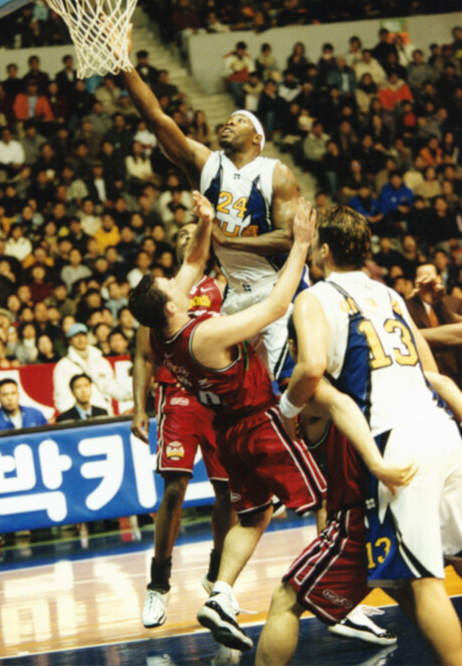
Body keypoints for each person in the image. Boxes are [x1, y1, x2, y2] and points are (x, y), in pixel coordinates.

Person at [129, 195, 327, 651]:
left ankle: (220, 590)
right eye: (170, 283)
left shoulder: (165, 323)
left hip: (224, 424)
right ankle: (334, 592)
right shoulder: (203, 332)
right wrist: (300, 244)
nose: (178, 278)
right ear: (171, 304)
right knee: (324, 499)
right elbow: (276, 306)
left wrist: (204, 222)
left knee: (251, 513)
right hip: (252, 417)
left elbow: (192, 261)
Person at [277, 205, 462, 666]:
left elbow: (311, 366)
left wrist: (287, 408)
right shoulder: (391, 295)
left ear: (323, 250)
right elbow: (433, 375)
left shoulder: (315, 297)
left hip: (396, 438)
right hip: (441, 428)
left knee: (424, 581)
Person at [121, 33, 304, 386]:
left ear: (257, 139)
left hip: (279, 286)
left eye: (240, 120)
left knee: (289, 384)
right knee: (239, 388)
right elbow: (156, 117)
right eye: (228, 119)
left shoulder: (275, 173)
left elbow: (288, 239)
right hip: (236, 291)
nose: (229, 122)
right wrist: (124, 65)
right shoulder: (206, 163)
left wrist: (227, 240)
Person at [132, 214, 233, 629]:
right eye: (182, 234)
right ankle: (159, 584)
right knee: (174, 488)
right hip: (176, 393)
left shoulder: (223, 287)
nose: (189, 237)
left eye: (196, 232)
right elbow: (143, 354)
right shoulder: (161, 295)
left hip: (217, 395)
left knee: (228, 491)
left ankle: (217, 574)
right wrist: (138, 407)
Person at [52, 323, 129, 414]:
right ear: (69, 340)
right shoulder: (63, 366)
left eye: (83, 335)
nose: (80, 339)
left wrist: (128, 396)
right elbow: (62, 396)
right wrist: (74, 416)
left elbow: (110, 385)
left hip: (103, 411)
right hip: (80, 415)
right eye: (76, 336)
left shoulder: (100, 360)